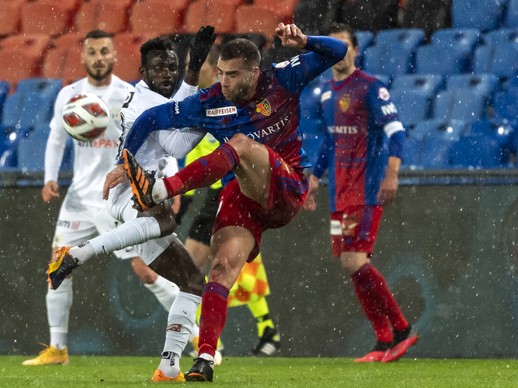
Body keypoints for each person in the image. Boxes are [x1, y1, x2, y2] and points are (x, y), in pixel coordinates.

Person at [114, 23, 348, 382]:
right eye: (220, 73)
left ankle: (160, 190)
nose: (223, 82)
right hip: (242, 196)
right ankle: (204, 359)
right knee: (220, 269)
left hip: (285, 188)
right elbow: (149, 118)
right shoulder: (210, 102)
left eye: (232, 75)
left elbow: (338, 52)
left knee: (239, 145)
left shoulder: (283, 79)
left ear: (254, 72)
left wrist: (304, 41)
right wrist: (123, 162)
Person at [46, 28, 217, 382]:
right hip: (132, 193)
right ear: (144, 73)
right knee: (165, 220)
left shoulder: (147, 95)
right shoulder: (144, 102)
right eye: (158, 69)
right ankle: (77, 254)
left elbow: (178, 119)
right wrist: (203, 98)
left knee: (191, 281)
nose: (166, 74)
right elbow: (178, 145)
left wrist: (192, 74)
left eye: (171, 67)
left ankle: (168, 367)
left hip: (142, 191)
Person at [22, 29, 187, 368]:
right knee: (59, 266)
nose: (98, 57)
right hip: (79, 200)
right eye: (92, 51)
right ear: (83, 57)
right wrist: (50, 178)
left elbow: (160, 140)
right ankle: (58, 348)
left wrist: (172, 183)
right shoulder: (70, 94)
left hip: (122, 196)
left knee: (146, 272)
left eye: (104, 51)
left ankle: (195, 331)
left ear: (114, 56)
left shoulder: (130, 94)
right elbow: (55, 138)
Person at [302, 23, 419, 363]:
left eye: (344, 45)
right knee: (349, 262)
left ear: (355, 50)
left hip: (366, 190)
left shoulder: (371, 88)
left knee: (355, 260)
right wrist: (315, 178)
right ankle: (383, 340)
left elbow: (396, 132)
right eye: (332, 47)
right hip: (339, 193)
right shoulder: (325, 93)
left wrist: (392, 174)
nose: (339, 52)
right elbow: (328, 140)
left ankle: (399, 328)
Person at [184, 46, 282, 357]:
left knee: (212, 264)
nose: (193, 68)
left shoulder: (231, 104)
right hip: (205, 192)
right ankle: (258, 328)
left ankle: (206, 337)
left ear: (213, 68)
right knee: (214, 265)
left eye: (197, 64)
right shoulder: (202, 103)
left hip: (228, 189)